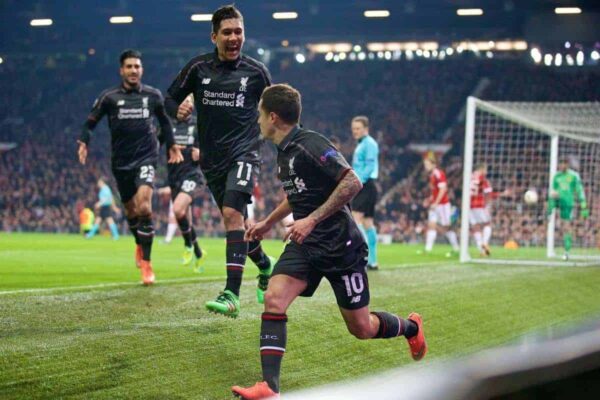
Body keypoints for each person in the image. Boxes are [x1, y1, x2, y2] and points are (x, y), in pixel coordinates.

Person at [232, 84, 427, 399]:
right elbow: (298, 195)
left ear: (272, 116)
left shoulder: (311, 144)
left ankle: (412, 328)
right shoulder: (284, 151)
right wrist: (268, 222)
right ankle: (270, 387)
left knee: (361, 328)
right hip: (305, 245)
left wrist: (311, 219)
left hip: (340, 247)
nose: (257, 121)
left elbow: (352, 181)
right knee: (274, 299)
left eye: (259, 115)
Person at [165, 4, 275, 315]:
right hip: (211, 161)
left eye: (238, 31)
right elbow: (169, 97)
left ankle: (231, 294)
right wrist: (178, 109)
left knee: (230, 215)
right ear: (214, 36)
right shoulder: (198, 68)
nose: (233, 37)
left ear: (244, 35)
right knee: (238, 224)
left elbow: (280, 109)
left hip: (244, 154)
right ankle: (266, 266)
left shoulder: (256, 73)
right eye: (227, 32)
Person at [78, 49, 183, 285]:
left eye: (137, 66)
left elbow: (165, 122)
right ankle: (139, 242)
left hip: (146, 157)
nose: (134, 70)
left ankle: (146, 264)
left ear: (141, 70)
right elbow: (90, 122)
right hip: (121, 163)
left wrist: (172, 146)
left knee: (144, 206)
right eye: (129, 67)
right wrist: (84, 140)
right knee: (131, 212)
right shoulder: (110, 97)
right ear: (121, 70)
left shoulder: (153, 95)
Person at [157, 106, 206, 271]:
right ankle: (198, 253)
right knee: (186, 220)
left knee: (178, 210)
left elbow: (210, 147)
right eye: (183, 103)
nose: (186, 107)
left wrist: (201, 153)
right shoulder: (168, 125)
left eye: (189, 103)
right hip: (174, 177)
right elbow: (156, 143)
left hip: (192, 175)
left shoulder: (198, 124)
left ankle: (188, 245)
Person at [350, 116, 380, 270]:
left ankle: (364, 255)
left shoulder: (369, 144)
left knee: (355, 221)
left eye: (358, 128)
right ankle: (373, 261)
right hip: (367, 185)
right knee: (368, 223)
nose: (355, 131)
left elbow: (369, 166)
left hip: (365, 185)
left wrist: (357, 181)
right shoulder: (364, 143)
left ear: (366, 129)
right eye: (353, 129)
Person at [548, 156, 588, 260]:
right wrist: (554, 195)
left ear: (567, 164)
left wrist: (583, 204)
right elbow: (554, 189)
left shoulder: (574, 176)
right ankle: (548, 213)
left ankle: (567, 251)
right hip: (558, 201)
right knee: (551, 197)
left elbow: (579, 190)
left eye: (563, 163)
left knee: (566, 227)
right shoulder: (557, 176)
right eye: (560, 164)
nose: (561, 166)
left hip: (568, 204)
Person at [422, 152, 460, 256]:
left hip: (443, 205)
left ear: (433, 164)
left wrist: (436, 202)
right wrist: (429, 200)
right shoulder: (432, 175)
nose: (425, 166)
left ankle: (456, 248)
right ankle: (428, 249)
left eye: (427, 164)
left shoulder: (438, 173)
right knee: (431, 225)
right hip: (435, 204)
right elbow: (435, 191)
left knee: (446, 227)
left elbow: (443, 189)